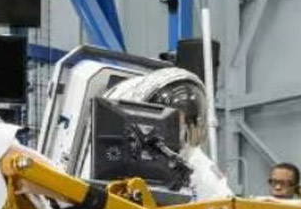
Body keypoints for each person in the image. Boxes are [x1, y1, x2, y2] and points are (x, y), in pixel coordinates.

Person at [100, 67, 233, 201]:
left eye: (188, 120)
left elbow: (224, 201)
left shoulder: (193, 160)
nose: (182, 129)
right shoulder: (112, 162)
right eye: (173, 121)